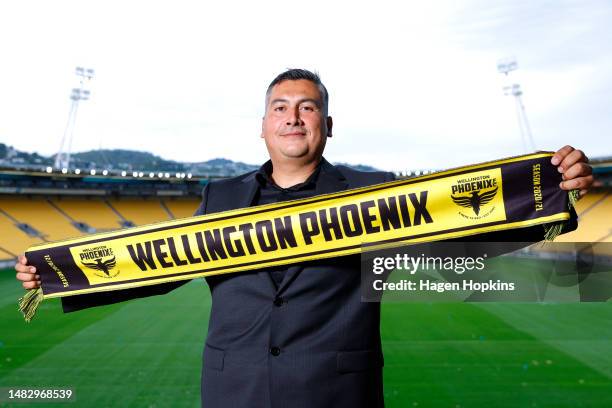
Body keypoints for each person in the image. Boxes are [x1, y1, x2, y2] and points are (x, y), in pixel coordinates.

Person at [15, 69, 594, 407]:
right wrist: (59, 274)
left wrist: (548, 203)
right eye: (281, 108)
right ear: (265, 124)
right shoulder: (221, 198)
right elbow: (158, 266)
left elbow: (447, 252)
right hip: (232, 392)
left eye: (307, 108)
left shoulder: (374, 195)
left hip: (335, 394)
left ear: (327, 125)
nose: (293, 117)